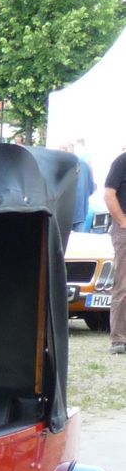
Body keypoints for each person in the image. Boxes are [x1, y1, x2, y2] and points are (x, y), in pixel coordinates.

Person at [103, 148, 126, 354]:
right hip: (124, 229)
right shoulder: (122, 161)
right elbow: (109, 195)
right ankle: (118, 339)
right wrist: (123, 222)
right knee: (123, 284)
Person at [61, 142, 95, 233]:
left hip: (62, 215)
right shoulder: (85, 166)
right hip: (80, 214)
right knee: (76, 244)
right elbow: (91, 189)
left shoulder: (59, 165)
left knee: (61, 245)